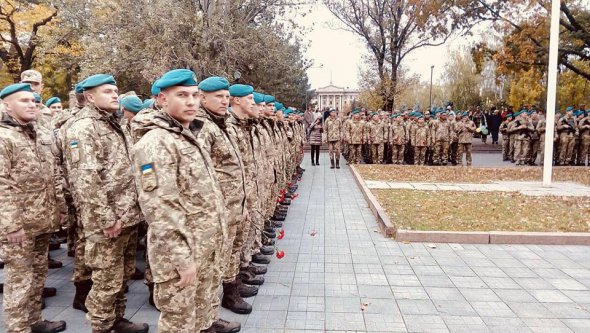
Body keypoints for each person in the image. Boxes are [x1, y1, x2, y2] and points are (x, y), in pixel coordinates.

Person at [131, 69, 225, 333]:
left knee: (200, 320)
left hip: (202, 249)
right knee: (179, 324)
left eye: (195, 95)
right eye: (182, 95)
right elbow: (161, 208)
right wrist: (183, 260)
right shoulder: (157, 142)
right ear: (162, 99)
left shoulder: (187, 135)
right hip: (179, 257)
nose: (191, 102)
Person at [62, 74, 147, 333]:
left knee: (122, 276)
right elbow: (86, 179)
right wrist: (107, 220)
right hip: (107, 223)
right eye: (108, 91)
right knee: (105, 283)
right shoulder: (83, 127)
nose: (115, 95)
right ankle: (101, 326)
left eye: (116, 90)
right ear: (90, 97)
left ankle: (117, 320)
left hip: (127, 215)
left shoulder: (114, 123)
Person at [0, 83, 67, 333]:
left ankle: (34, 321)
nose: (32, 104)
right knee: (19, 281)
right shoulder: (4, 137)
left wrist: (60, 208)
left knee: (38, 275)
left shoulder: (38, 134)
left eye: (34, 100)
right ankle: (18, 329)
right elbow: (1, 186)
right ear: (7, 105)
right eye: (24, 100)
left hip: (42, 219)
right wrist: (11, 225)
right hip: (19, 227)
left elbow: (53, 175)